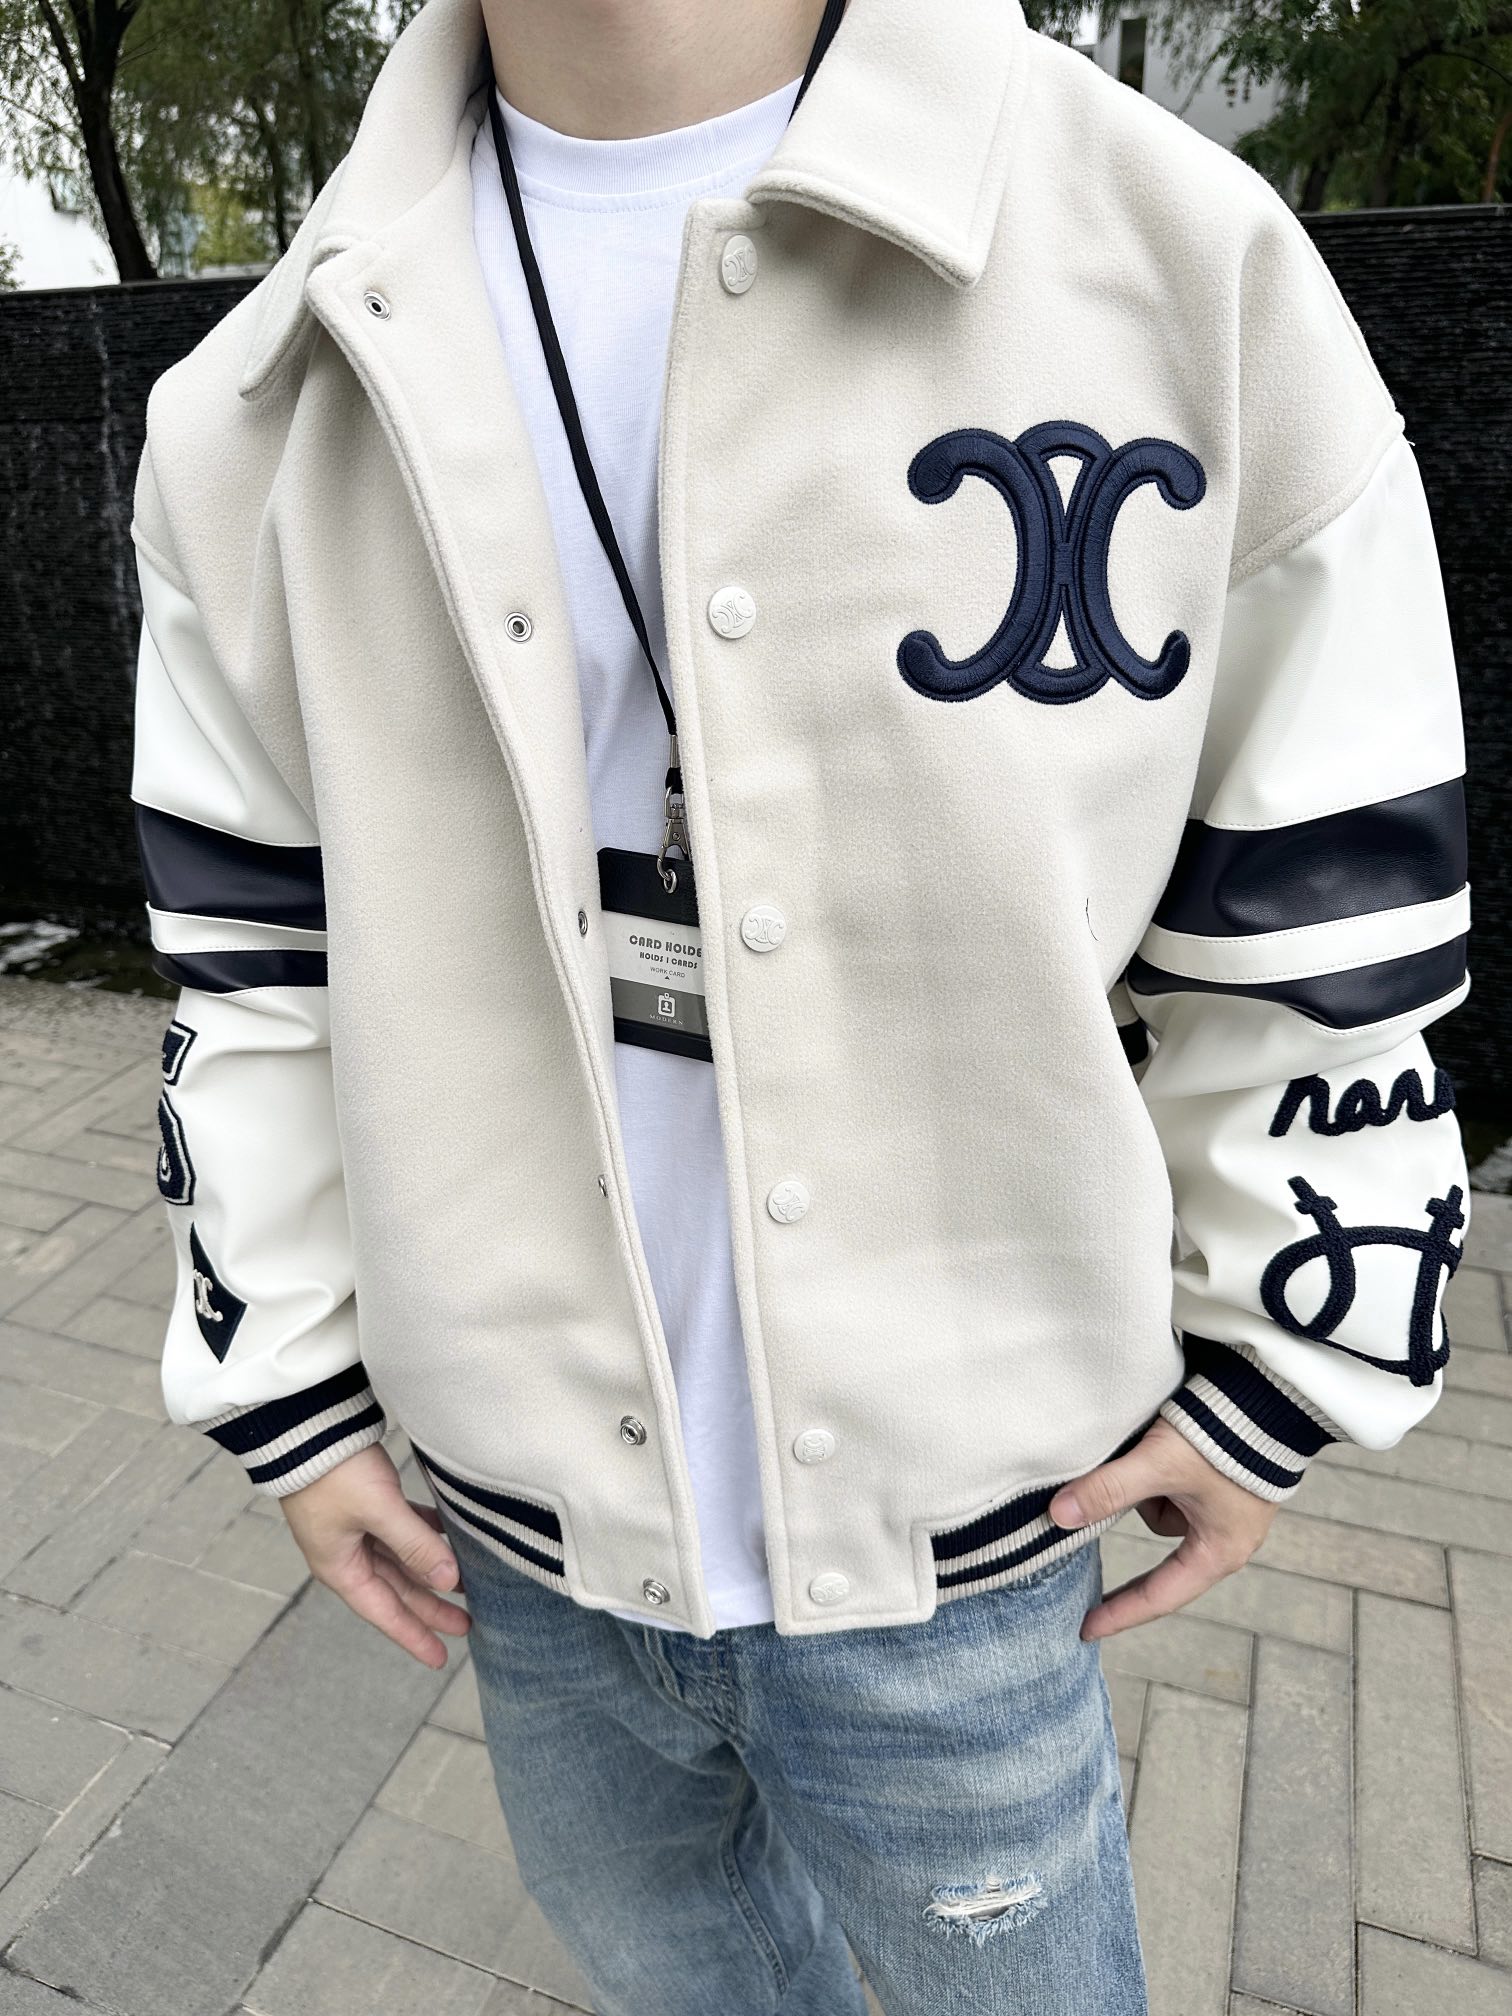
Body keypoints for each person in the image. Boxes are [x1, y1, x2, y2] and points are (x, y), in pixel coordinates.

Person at [127, 0, 1470, 2009]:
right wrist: (289, 1396)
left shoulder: (1180, 259)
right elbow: (250, 954)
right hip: (514, 1530)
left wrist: (1297, 1359)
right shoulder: (254, 397)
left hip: (973, 1538)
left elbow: (1322, 894)